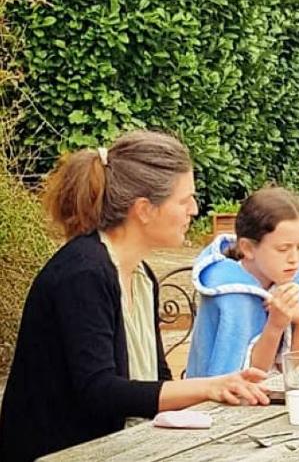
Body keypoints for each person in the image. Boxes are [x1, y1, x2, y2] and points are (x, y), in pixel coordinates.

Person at [0, 130, 268, 462]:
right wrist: (208, 387)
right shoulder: (83, 274)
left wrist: (214, 391)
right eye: (185, 200)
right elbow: (98, 391)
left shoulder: (141, 276)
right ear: (144, 209)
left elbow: (156, 379)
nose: (195, 210)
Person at [186, 187, 299, 377]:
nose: (294, 258)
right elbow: (249, 376)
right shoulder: (228, 291)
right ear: (248, 248)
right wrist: (275, 325)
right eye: (283, 249)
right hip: (223, 402)